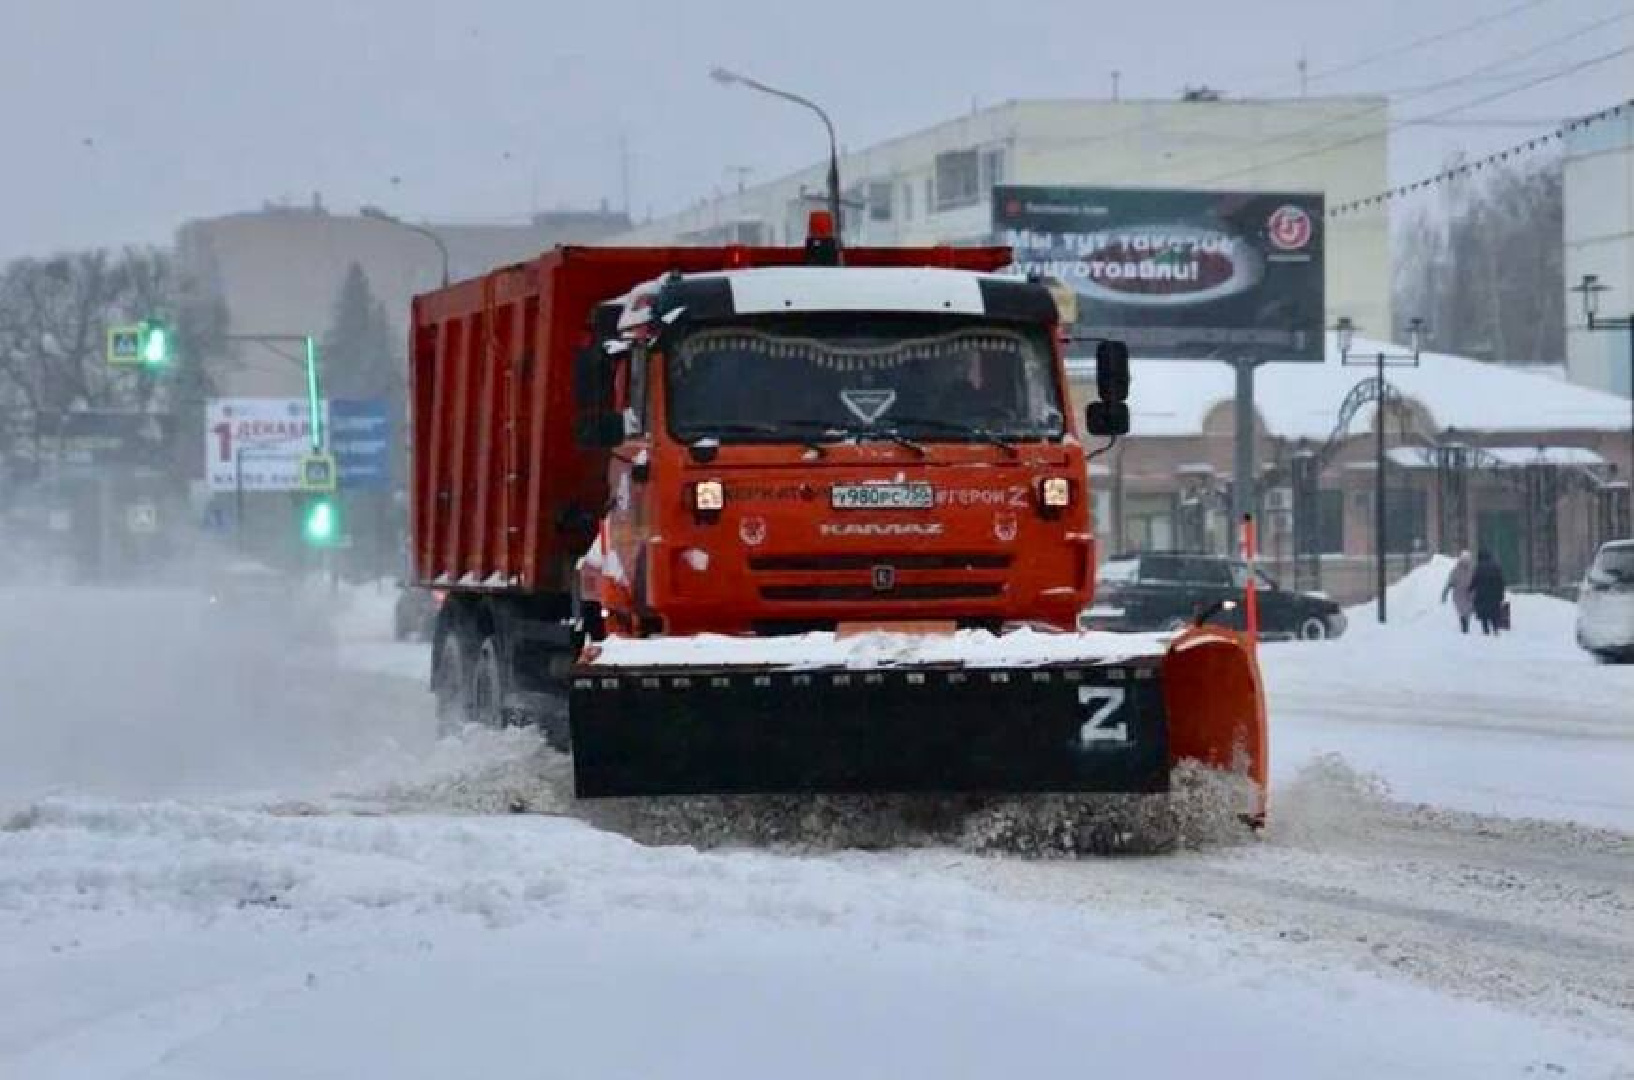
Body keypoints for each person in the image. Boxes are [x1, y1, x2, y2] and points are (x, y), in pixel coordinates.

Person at [1469, 549, 1507, 636]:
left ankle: (1486, 631)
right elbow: (1501, 582)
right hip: (1494, 595)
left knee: (1484, 614)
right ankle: (1495, 629)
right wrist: (1501, 594)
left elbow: (1475, 581)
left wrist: (1470, 589)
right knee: (1494, 613)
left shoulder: (1479, 567)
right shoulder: (1496, 567)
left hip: (1482, 595)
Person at [1440, 549, 1475, 633]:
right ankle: (1464, 627)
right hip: (1459, 595)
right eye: (1464, 560)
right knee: (1463, 612)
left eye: (1467, 560)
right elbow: (1450, 582)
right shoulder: (1456, 570)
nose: (1466, 562)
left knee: (1468, 612)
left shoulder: (1472, 570)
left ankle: (1465, 626)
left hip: (1470, 594)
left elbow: (1477, 581)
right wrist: (1445, 593)